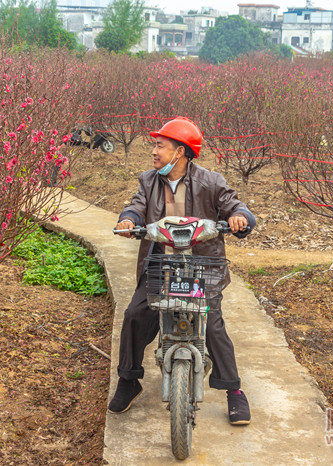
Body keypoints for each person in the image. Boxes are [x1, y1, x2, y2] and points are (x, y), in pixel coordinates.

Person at [108, 117, 256, 425]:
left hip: (201, 266)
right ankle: (129, 380)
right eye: (155, 145)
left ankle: (234, 391)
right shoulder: (149, 181)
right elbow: (136, 207)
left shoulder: (211, 181)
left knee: (211, 323)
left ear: (181, 151)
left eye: (161, 146)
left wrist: (240, 217)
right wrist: (127, 220)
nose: (154, 151)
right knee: (136, 314)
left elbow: (234, 205)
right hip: (161, 265)